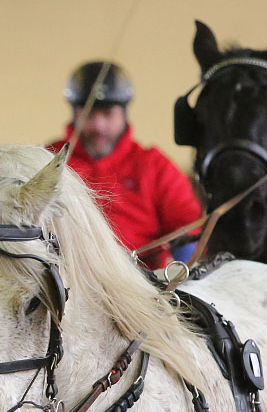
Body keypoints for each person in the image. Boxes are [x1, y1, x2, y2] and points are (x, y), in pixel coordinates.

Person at [47, 61, 203, 269]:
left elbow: (188, 227)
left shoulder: (153, 165)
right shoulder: (50, 160)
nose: (98, 125)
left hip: (141, 282)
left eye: (108, 114)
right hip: (66, 282)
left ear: (124, 113)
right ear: (74, 113)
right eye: (89, 114)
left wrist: (184, 278)